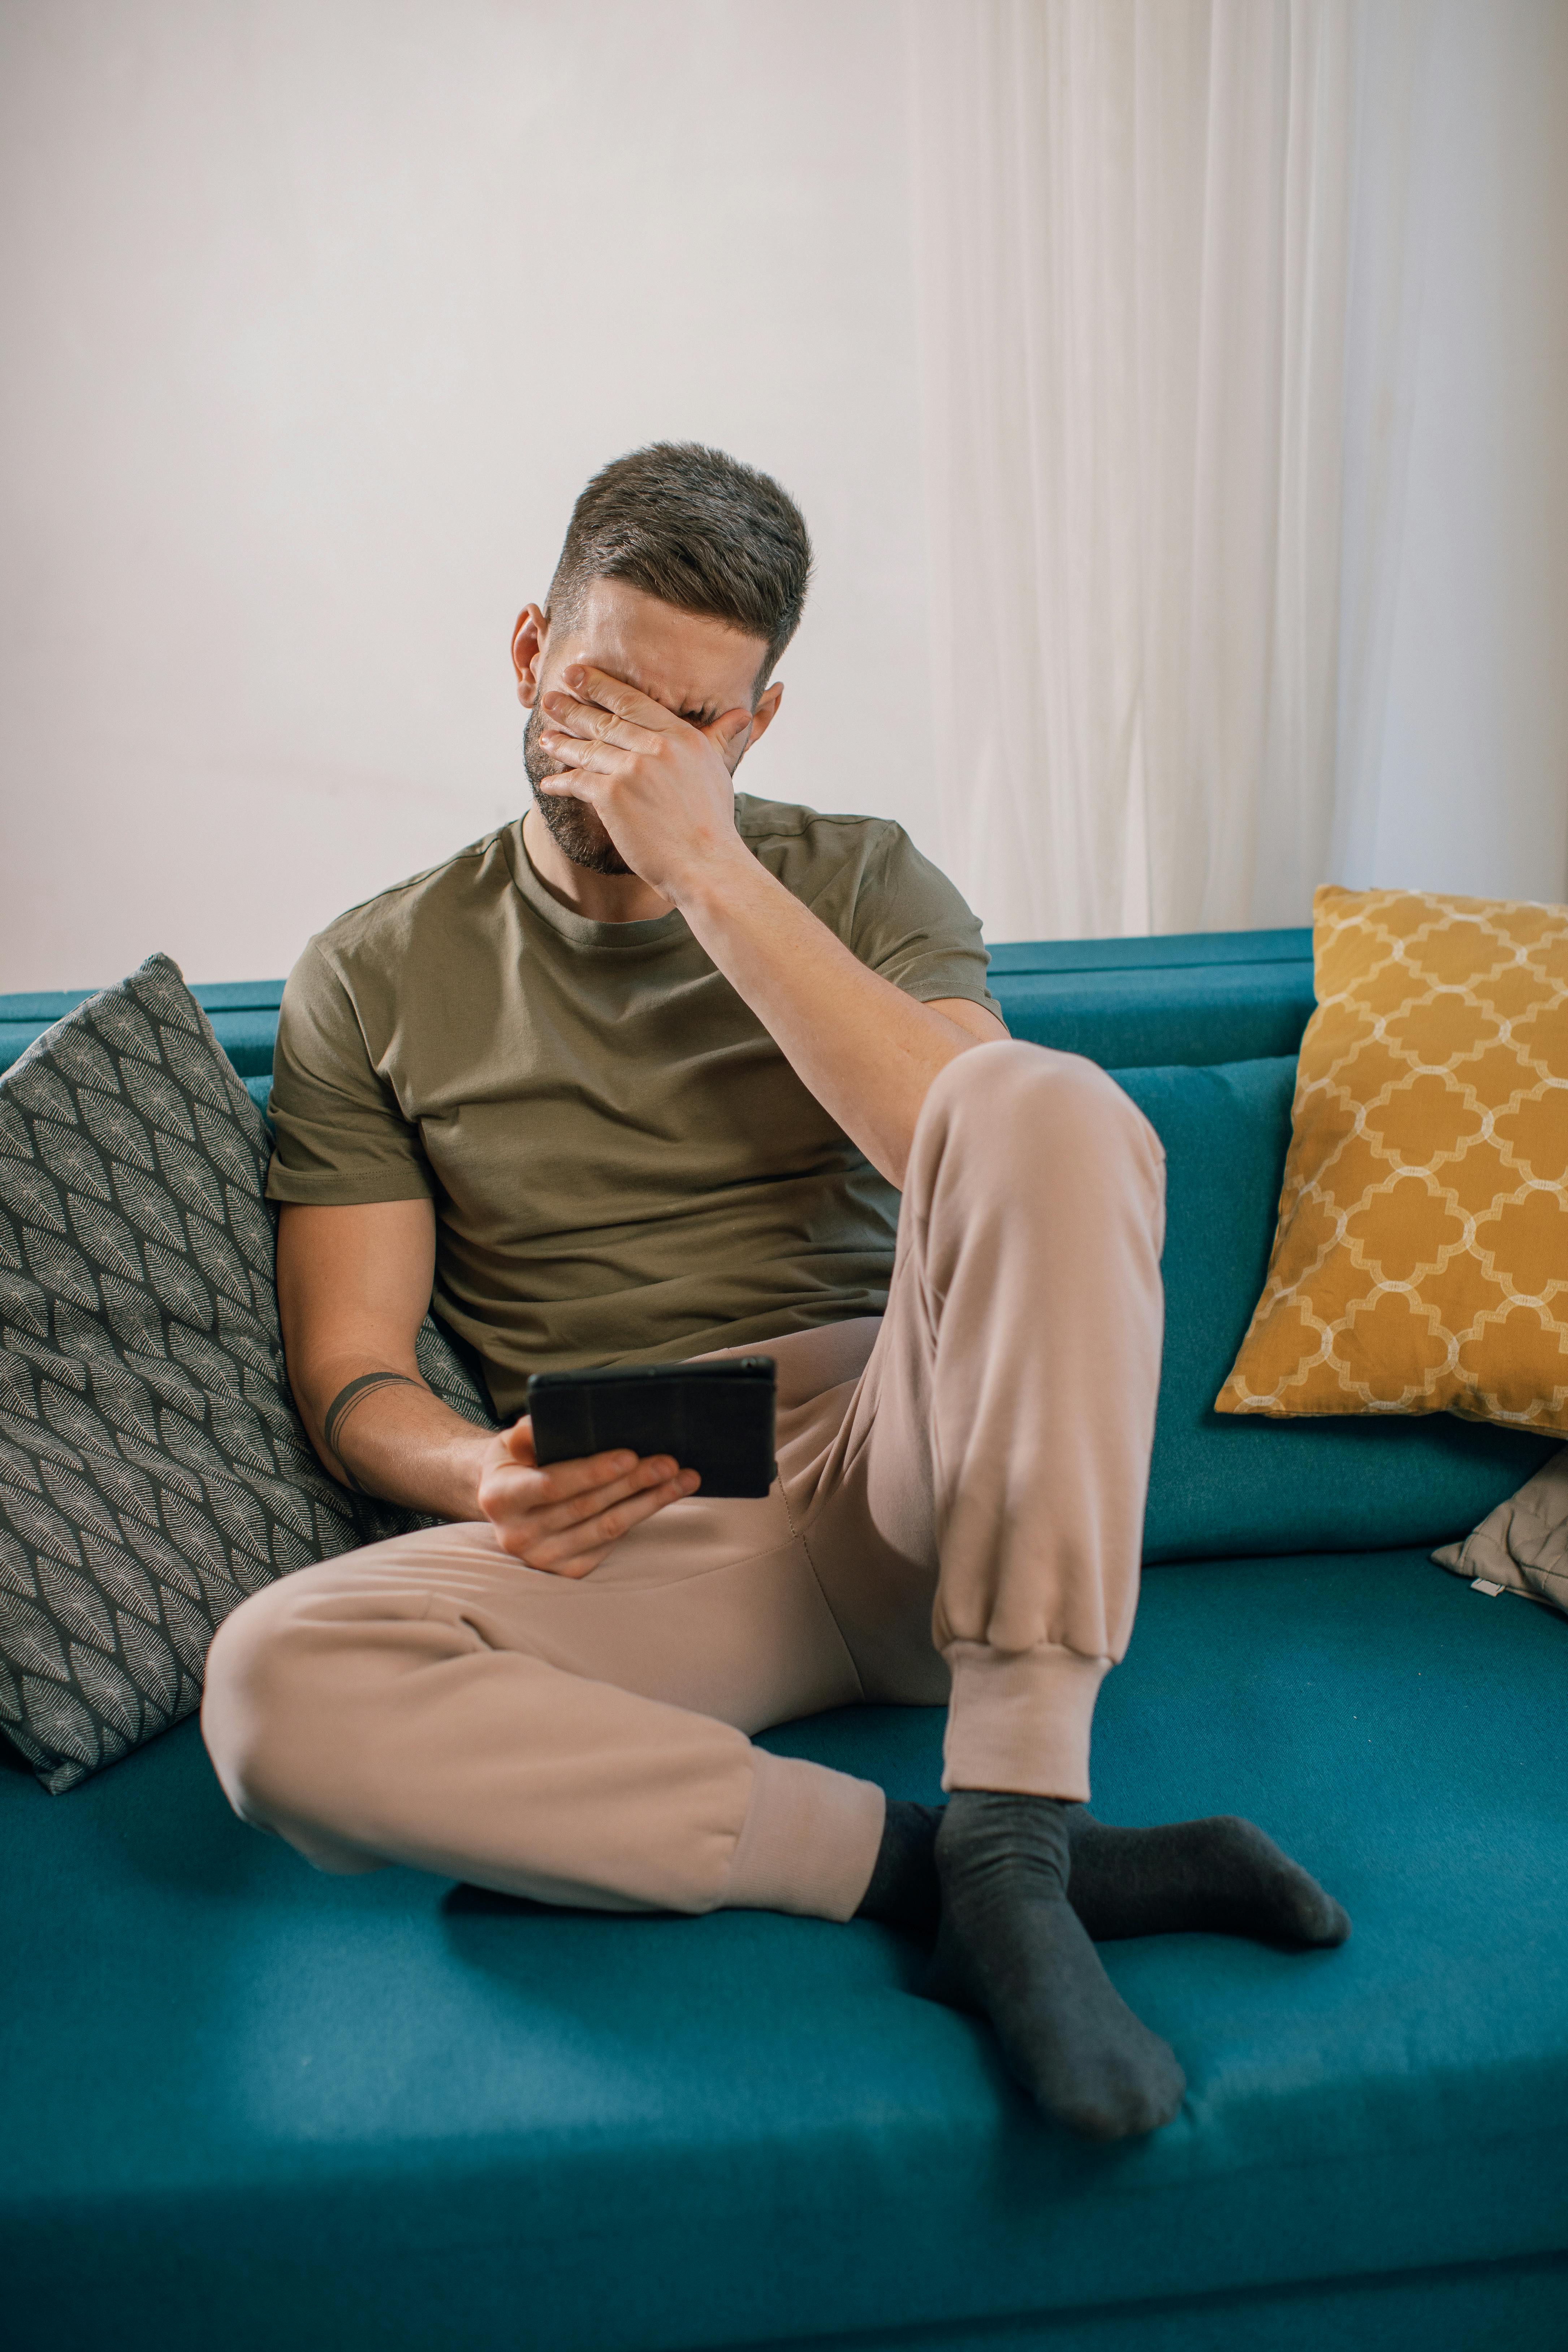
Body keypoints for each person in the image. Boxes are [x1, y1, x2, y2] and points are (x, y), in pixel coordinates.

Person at [202, 443, 1348, 2143]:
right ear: (529, 653)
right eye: (602, 691)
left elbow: (972, 1143)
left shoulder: (863, 878)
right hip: (655, 1521)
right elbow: (353, 1369)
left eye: (693, 723)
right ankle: (935, 1875)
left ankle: (1020, 1813)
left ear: (756, 728)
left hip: (915, 1457)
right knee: (274, 1681)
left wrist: (709, 870)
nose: (635, 753)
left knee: (1045, 1098)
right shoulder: (372, 970)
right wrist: (480, 1471)